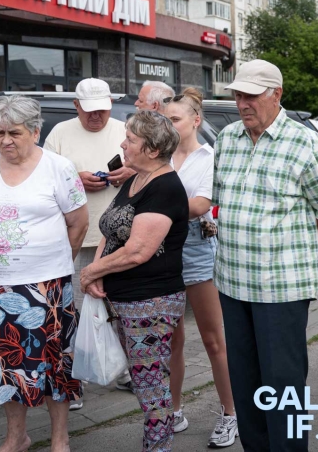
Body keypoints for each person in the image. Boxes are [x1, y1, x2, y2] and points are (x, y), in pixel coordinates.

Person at [213, 59, 318, 452]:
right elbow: (220, 203)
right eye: (237, 95)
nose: (242, 103)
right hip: (232, 282)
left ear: (276, 94)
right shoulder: (227, 138)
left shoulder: (303, 142)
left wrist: (301, 263)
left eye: (251, 95)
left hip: (281, 288)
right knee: (245, 379)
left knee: (282, 384)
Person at [0, 95, 89, 452]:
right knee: (6, 366)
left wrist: (50, 264)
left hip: (47, 288)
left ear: (35, 131)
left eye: (14, 133)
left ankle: (60, 437)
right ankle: (16, 437)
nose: (5, 140)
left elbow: (79, 224)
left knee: (54, 366)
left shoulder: (58, 167)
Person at [79, 110, 188, 452]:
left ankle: (157, 448)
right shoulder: (135, 178)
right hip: (126, 298)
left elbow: (138, 250)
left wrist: (90, 272)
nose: (123, 145)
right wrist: (98, 270)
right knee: (144, 381)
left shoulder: (166, 187)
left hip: (151, 302)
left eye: (131, 140)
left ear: (153, 150)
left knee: (150, 382)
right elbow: (110, 230)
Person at [44, 77, 135, 403]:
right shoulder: (59, 133)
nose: (97, 117)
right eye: (89, 111)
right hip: (74, 237)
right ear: (76, 106)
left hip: (118, 238)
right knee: (72, 310)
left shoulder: (125, 129)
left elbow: (151, 170)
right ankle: (73, 380)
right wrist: (74, 180)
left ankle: (124, 371)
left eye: (102, 110)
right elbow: (44, 180)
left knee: (119, 307)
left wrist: (130, 173)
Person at [160, 87, 237, 447]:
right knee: (172, 338)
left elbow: (201, 204)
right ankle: (174, 410)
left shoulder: (210, 157)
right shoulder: (158, 155)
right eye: (165, 120)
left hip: (195, 244)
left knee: (213, 338)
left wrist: (153, 208)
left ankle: (231, 413)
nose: (169, 126)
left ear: (195, 120)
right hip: (160, 248)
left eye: (175, 119)